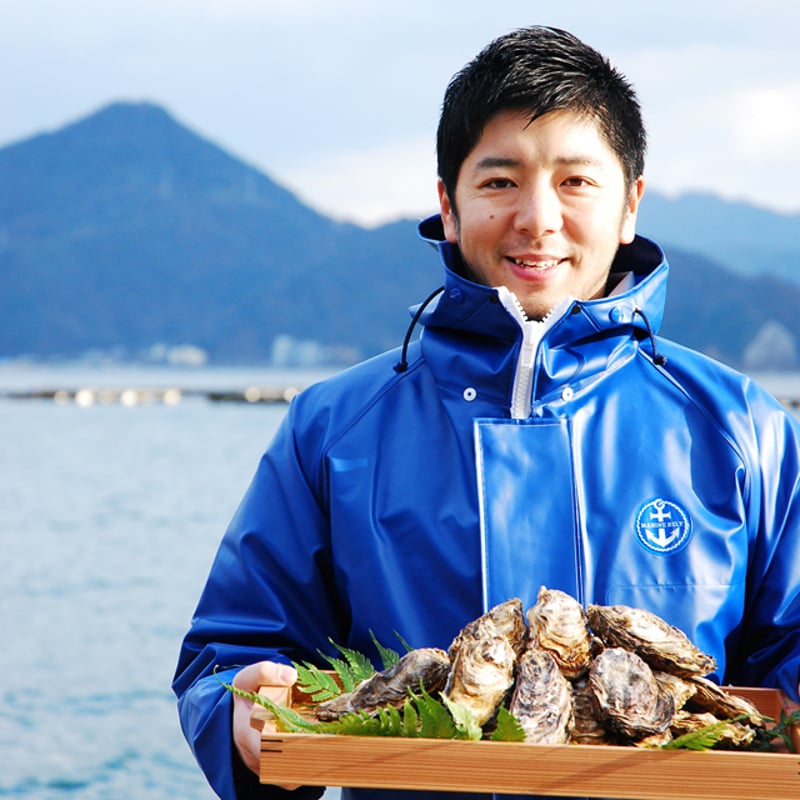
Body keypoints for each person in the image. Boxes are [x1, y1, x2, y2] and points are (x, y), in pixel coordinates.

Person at [173, 25, 800, 800]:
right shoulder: (334, 428)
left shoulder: (741, 427)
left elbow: (789, 653)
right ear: (449, 202)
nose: (537, 219)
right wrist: (241, 709)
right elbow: (232, 649)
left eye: (576, 181)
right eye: (500, 181)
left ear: (631, 203)